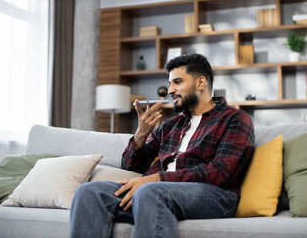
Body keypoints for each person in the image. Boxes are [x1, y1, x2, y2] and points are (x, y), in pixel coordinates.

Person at [69, 53, 254, 238]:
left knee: (149, 192)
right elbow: (131, 167)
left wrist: (156, 179)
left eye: (178, 82)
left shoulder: (235, 119)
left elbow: (220, 173)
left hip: (215, 196)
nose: (171, 90)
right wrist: (141, 134)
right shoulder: (170, 125)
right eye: (169, 84)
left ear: (200, 83)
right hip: (154, 192)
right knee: (89, 192)